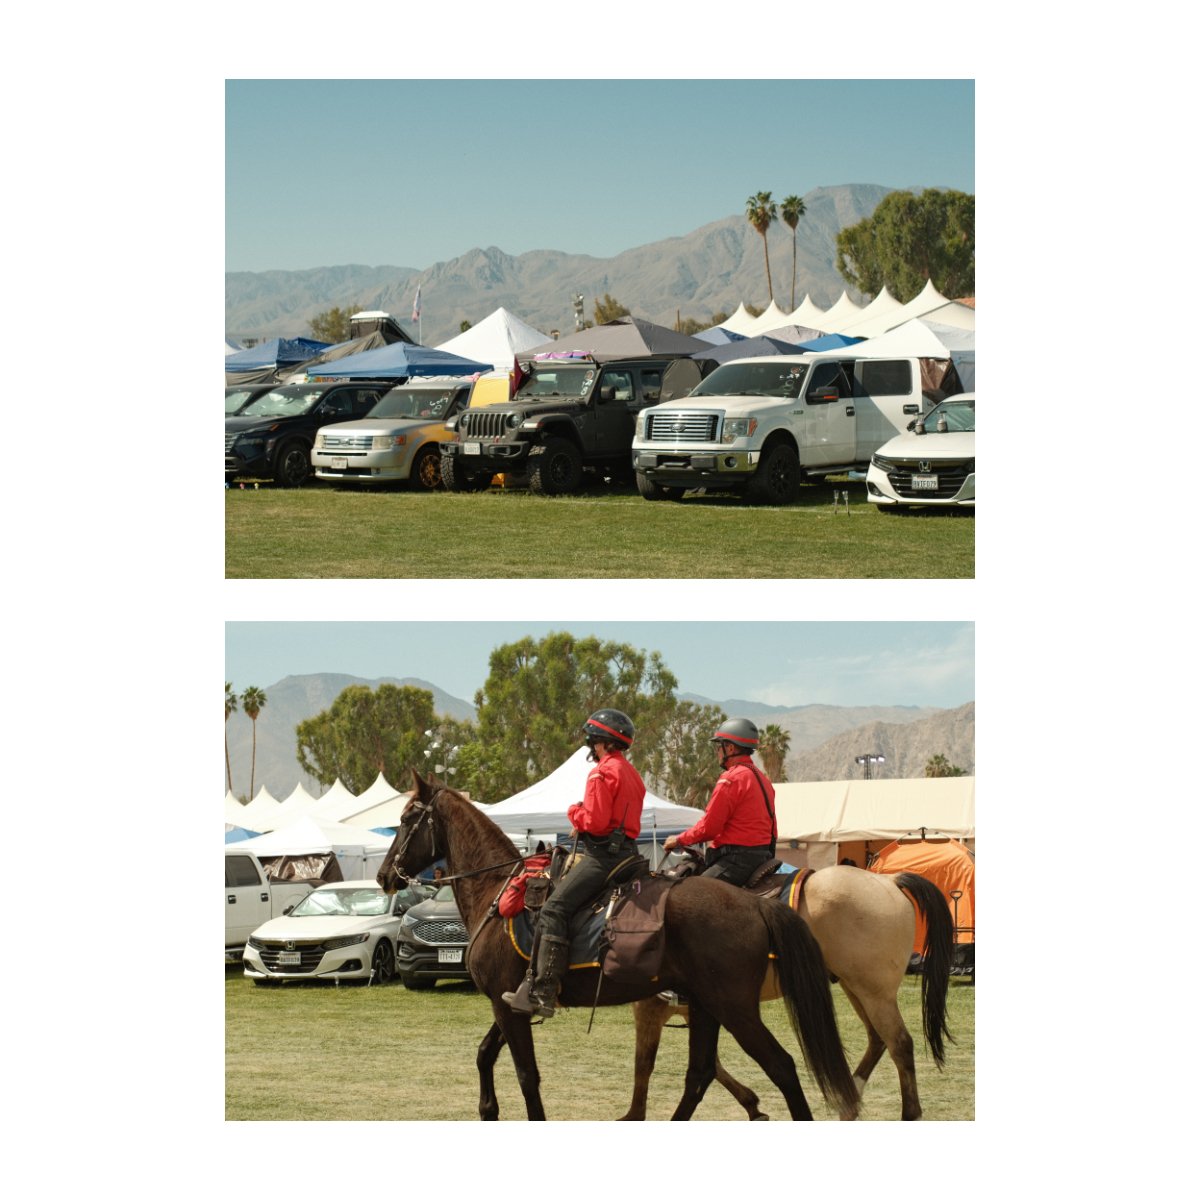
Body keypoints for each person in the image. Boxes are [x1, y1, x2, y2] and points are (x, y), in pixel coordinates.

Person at [502, 709, 646, 1018]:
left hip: (603, 857)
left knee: (554, 908)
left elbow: (594, 821)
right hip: (629, 854)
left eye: (593, 742)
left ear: (600, 742)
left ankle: (543, 991)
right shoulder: (632, 774)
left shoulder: (601, 772)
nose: (591, 748)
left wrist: (574, 812)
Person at [662, 718, 777, 887]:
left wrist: (679, 840)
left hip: (736, 861)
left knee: (693, 895)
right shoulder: (763, 779)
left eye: (719, 746)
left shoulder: (731, 779)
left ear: (729, 748)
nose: (717, 751)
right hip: (762, 857)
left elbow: (710, 828)